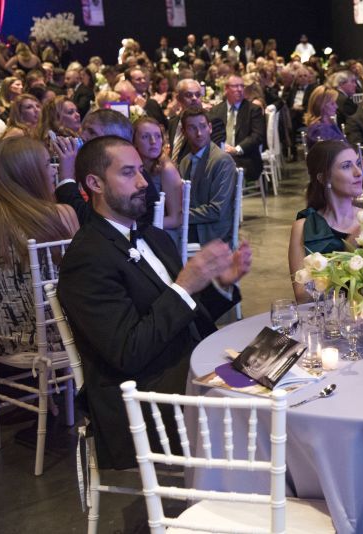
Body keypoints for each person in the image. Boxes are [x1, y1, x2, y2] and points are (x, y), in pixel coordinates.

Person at [57, 135, 250, 470]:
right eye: (128, 173)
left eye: (142, 172)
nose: (144, 182)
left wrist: (219, 284)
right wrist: (184, 286)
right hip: (145, 400)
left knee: (277, 373)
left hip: (187, 368)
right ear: (95, 183)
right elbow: (128, 351)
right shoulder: (86, 259)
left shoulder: (152, 235)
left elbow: (185, 315)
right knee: (260, 412)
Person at [0, 137, 79, 357]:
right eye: (48, 164)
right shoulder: (62, 214)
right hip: (60, 337)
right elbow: (83, 277)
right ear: (29, 173)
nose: (53, 171)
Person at [288, 140, 363, 302]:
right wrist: (349, 251)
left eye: (358, 163)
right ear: (323, 178)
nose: (358, 172)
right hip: (327, 322)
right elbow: (302, 297)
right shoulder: (304, 227)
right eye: (346, 166)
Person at [178, 108, 237, 245]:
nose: (199, 133)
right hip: (193, 226)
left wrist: (180, 216)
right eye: (192, 128)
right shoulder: (185, 161)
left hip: (212, 232)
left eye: (203, 126)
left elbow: (217, 210)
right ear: (183, 132)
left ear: (210, 128)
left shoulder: (222, 161)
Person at [133, 117, 183, 244]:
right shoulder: (135, 167)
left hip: (163, 233)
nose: (153, 141)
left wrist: (138, 225)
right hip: (144, 228)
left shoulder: (167, 170)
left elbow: (176, 218)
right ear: (134, 142)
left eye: (157, 136)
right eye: (145, 137)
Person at [208, 74, 267, 181]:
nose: (239, 89)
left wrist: (236, 149)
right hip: (220, 156)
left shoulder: (253, 110)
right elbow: (211, 135)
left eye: (241, 86)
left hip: (245, 157)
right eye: (235, 86)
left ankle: (227, 196)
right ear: (226, 88)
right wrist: (222, 148)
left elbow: (257, 136)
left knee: (224, 168)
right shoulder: (216, 111)